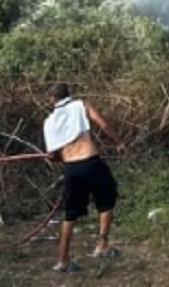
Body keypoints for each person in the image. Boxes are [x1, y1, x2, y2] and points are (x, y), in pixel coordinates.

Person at [43, 83, 124, 272]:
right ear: (67, 95)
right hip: (91, 162)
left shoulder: (49, 122)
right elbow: (102, 124)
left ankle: (62, 261)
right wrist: (119, 142)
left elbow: (54, 156)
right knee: (107, 202)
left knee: (70, 215)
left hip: (71, 169)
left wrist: (55, 156)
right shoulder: (81, 105)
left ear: (52, 99)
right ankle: (102, 245)